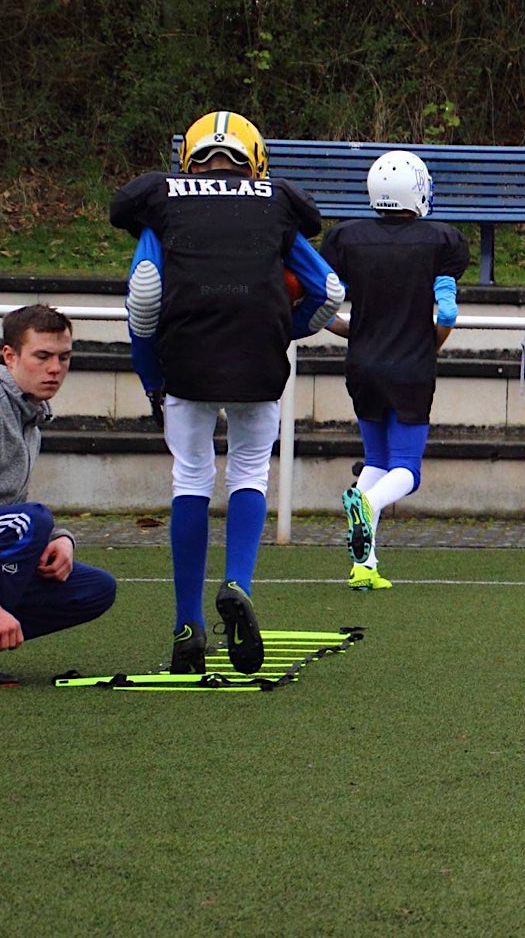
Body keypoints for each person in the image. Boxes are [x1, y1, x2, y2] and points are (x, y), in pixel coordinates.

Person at [110, 110, 344, 675]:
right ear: (255, 160)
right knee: (248, 474)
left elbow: (144, 295)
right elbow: (329, 291)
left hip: (184, 353)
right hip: (257, 354)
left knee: (191, 477)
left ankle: (187, 624)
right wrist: (278, 327)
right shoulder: (275, 200)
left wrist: (152, 378)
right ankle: (236, 581)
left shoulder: (163, 200)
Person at [320, 150, 468, 590]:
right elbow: (446, 314)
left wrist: (357, 332)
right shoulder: (440, 241)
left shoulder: (348, 238)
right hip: (410, 367)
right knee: (406, 468)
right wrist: (430, 345)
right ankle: (364, 505)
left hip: (362, 364)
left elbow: (325, 308)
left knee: (378, 460)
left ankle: (364, 564)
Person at [0, 305, 117, 684]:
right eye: (42, 356)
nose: (55, 368)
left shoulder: (30, 415)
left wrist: (60, 541)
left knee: (93, 588)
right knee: (33, 521)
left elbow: (8, 508)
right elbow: (20, 520)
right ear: (10, 356)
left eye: (64, 357)